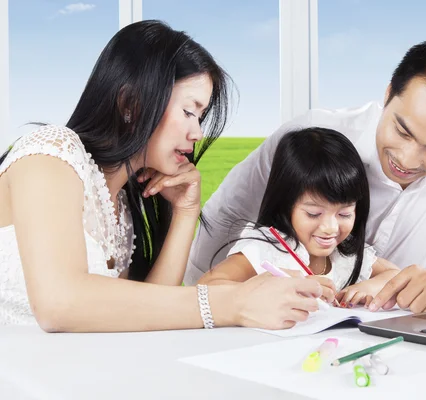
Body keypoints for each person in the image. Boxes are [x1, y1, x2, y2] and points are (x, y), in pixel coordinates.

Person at [0, 20, 323, 331]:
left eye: (201, 116)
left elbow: (146, 316)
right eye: (188, 112)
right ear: (130, 103)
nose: (197, 133)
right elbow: (60, 303)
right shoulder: (50, 152)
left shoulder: (124, 207)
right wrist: (231, 303)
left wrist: (185, 214)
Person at [186, 38, 426, 315]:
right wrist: (197, 309)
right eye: (402, 130)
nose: (407, 159)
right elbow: (226, 217)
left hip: (394, 333)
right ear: (389, 93)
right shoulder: (310, 137)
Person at [198, 127, 399, 308]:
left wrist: (372, 285)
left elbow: (396, 274)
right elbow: (205, 288)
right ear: (286, 205)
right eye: (313, 214)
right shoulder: (267, 248)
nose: (330, 227)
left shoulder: (346, 254)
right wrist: (272, 290)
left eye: (344, 214)